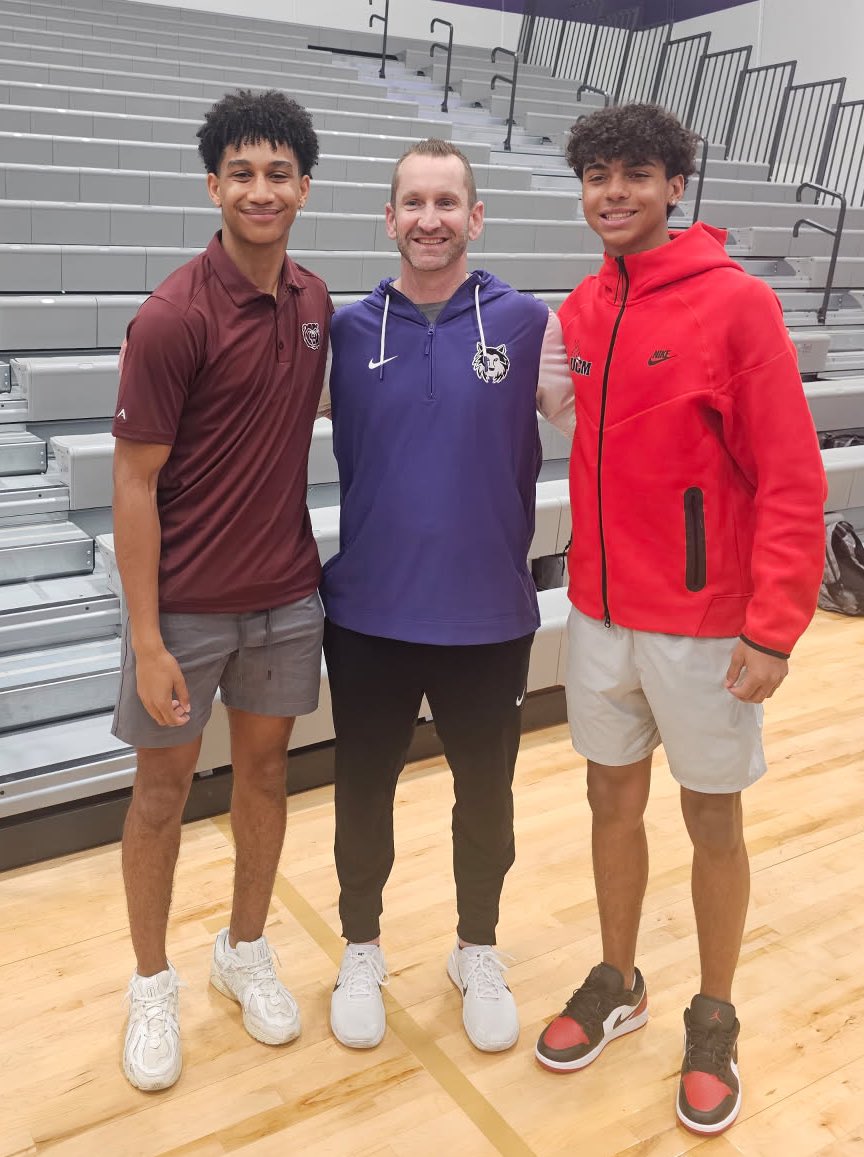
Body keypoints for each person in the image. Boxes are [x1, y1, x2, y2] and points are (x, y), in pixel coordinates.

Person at [533, 104, 827, 1136]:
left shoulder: (736, 306)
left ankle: (714, 1015)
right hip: (602, 614)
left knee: (712, 817)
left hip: (706, 624)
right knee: (609, 800)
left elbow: (792, 477)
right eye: (598, 176)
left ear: (673, 185)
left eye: (636, 175)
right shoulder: (580, 307)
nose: (614, 192)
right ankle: (619, 978)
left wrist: (774, 626)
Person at [321, 139, 574, 1053]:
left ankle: (477, 945)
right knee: (361, 792)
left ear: (476, 217)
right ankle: (360, 947)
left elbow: (602, 425)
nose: (430, 218)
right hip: (369, 616)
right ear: (389, 219)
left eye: (447, 201)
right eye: (413, 202)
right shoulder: (349, 333)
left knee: (487, 796)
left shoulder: (525, 323)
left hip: (487, 615)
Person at [111, 89, 331, 1092]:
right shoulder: (171, 316)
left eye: (278, 172)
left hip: (286, 594)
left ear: (303, 187)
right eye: (241, 172)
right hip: (187, 610)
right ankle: (151, 979)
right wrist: (148, 638)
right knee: (162, 790)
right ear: (213, 185)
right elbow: (134, 483)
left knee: (268, 777)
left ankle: (243, 947)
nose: (260, 188)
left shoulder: (317, 303)